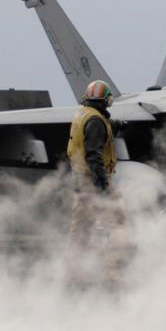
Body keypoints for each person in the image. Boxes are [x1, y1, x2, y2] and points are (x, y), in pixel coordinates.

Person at [65, 80, 128, 288]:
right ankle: (114, 275)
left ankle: (73, 276)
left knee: (81, 231)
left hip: (81, 181)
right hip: (93, 182)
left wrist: (113, 125)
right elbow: (94, 155)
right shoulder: (96, 122)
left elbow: (93, 132)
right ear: (106, 100)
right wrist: (104, 188)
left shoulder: (84, 114)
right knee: (119, 226)